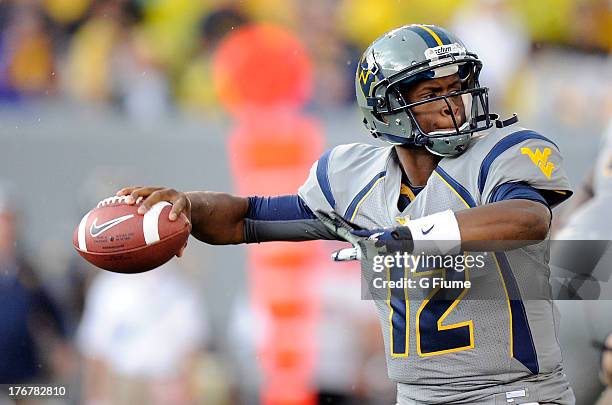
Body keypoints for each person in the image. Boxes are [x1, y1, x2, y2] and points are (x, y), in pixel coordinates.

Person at [116, 24, 575, 404]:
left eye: (457, 89)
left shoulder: (500, 154)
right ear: (389, 109)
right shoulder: (354, 180)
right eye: (433, 91)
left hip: (514, 393)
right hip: (417, 396)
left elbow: (528, 218)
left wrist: (412, 236)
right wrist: (190, 208)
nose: (452, 104)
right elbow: (246, 218)